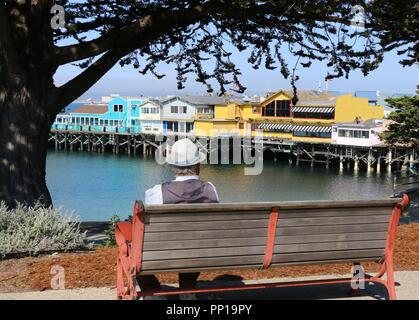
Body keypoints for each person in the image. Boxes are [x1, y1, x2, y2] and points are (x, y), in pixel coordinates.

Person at [139, 138, 219, 299]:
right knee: (194, 241)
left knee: (133, 247)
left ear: (172, 166)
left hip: (164, 252)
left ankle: (153, 291)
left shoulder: (157, 192)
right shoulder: (211, 189)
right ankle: (187, 291)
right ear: (198, 165)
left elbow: (146, 222)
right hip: (201, 252)